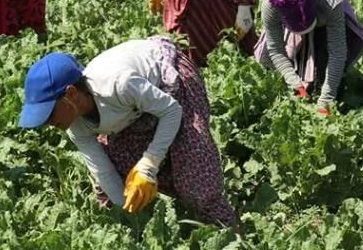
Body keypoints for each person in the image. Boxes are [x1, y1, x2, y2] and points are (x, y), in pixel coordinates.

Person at [18, 36, 239, 228]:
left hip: (171, 86)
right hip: (134, 109)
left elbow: (171, 111)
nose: (47, 122)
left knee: (196, 179)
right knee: (115, 174)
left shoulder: (118, 85)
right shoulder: (75, 125)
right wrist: (130, 215)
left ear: (71, 94)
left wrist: (150, 163)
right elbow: (103, 171)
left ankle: (233, 236)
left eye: (49, 114)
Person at [255, 0, 363, 115]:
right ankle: (302, 80)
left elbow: (338, 50)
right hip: (293, 1)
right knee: (284, 59)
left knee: (325, 60)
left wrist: (326, 100)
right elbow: (275, 50)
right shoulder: (271, 5)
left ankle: (332, 90)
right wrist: (295, 83)